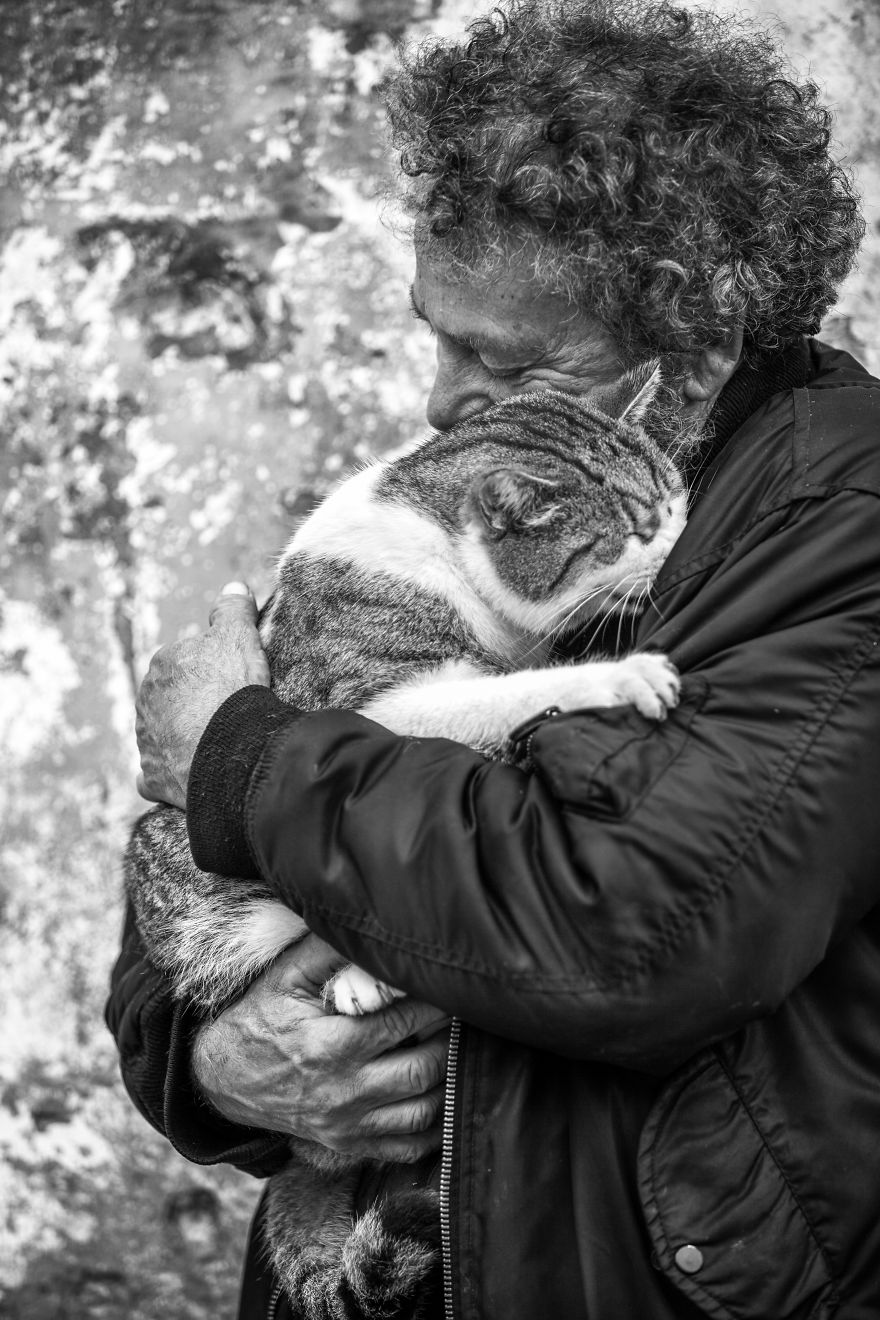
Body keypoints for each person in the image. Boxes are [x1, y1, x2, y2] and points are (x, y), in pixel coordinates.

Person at [108, 0, 880, 1316]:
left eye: (500, 358)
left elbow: (642, 931)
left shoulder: (842, 522)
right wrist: (219, 1065)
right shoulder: (498, 480)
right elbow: (181, 901)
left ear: (684, 353)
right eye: (434, 332)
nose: (439, 401)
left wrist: (240, 755)